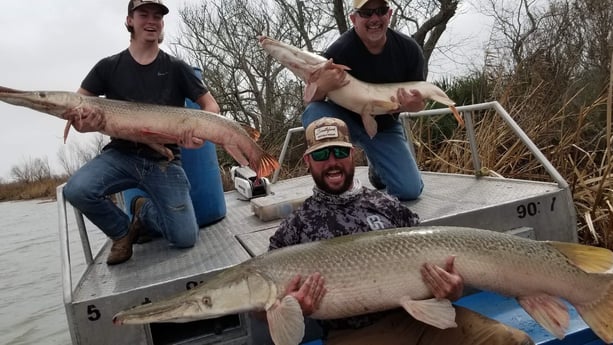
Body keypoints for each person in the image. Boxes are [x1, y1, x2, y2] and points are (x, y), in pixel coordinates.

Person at [257, 117, 534, 345]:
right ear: (308, 161)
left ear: (353, 155)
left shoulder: (386, 204)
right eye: (321, 154)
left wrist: (452, 289)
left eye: (340, 151)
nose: (332, 162)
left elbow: (434, 264)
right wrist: (293, 306)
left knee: (511, 341)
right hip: (355, 335)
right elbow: (259, 305)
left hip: (419, 318)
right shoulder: (294, 228)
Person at [62, 0, 220, 265]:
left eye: (157, 16)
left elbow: (211, 106)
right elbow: (77, 109)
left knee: (185, 238)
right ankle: (122, 231)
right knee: (77, 190)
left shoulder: (176, 67)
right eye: (143, 14)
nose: (151, 21)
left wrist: (197, 131)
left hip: (164, 160)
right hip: (121, 155)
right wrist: (83, 122)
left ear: (162, 24)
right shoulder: (107, 67)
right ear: (129, 21)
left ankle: (142, 211)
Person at [301, 0, 427, 201]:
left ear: (389, 14)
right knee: (315, 111)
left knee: (409, 191)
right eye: (366, 13)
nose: (375, 18)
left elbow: (419, 101)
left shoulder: (409, 50)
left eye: (380, 11)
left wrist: (415, 105)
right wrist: (323, 85)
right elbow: (310, 103)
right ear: (353, 19)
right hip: (344, 124)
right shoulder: (338, 52)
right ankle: (334, 186)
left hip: (384, 127)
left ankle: (377, 168)